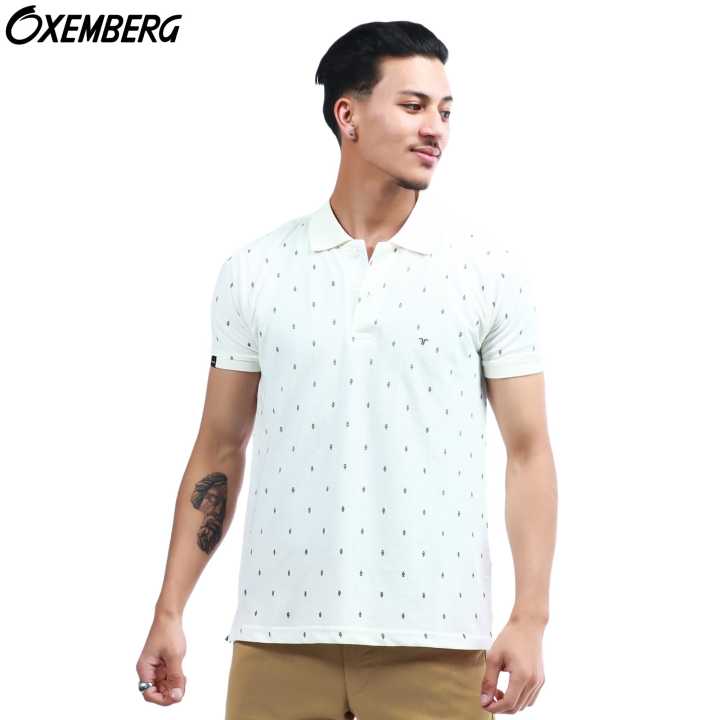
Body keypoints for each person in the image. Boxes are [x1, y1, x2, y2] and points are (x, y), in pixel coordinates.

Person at [136, 19, 557, 719]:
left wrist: (531, 617)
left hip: (437, 641)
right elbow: (219, 447)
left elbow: (529, 451)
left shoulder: (487, 272)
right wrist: (170, 609)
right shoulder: (256, 270)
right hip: (277, 639)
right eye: (413, 105)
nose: (435, 128)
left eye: (445, 111)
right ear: (348, 115)